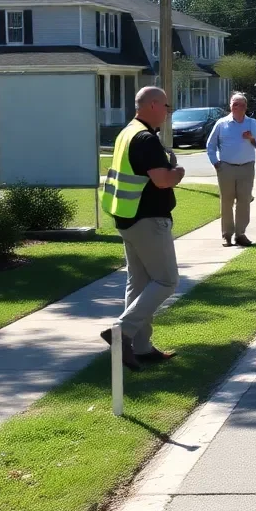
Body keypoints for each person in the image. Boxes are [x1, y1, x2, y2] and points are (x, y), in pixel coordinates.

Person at [100, 86, 184, 371]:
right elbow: (162, 180)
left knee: (138, 283)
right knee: (166, 280)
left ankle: (142, 348)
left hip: (127, 218)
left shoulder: (127, 132)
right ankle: (121, 332)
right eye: (165, 106)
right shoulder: (146, 138)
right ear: (151, 105)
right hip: (148, 219)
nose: (167, 112)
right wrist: (178, 172)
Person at [206, 91, 256, 247]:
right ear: (230, 106)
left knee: (244, 201)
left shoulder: (252, 123)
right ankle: (227, 235)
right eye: (235, 104)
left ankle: (240, 234)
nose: (238, 107)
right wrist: (215, 162)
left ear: (246, 107)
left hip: (246, 167)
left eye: (241, 104)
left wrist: (251, 138)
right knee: (226, 201)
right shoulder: (221, 123)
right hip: (226, 167)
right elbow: (210, 145)